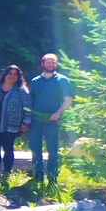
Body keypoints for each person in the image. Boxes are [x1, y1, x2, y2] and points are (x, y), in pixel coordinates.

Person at [28, 53, 74, 185]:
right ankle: (38, 177)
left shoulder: (62, 80)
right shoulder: (35, 81)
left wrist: (58, 113)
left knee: (53, 150)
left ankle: (52, 178)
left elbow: (68, 100)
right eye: (48, 62)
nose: (51, 65)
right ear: (42, 64)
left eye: (53, 62)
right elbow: (30, 100)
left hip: (53, 121)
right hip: (36, 121)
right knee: (35, 149)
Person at [0, 65, 32, 179]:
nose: (12, 76)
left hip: (11, 126)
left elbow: (28, 107)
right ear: (5, 75)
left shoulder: (21, 90)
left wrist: (26, 122)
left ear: (18, 77)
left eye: (15, 74)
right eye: (10, 73)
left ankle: (6, 172)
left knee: (8, 149)